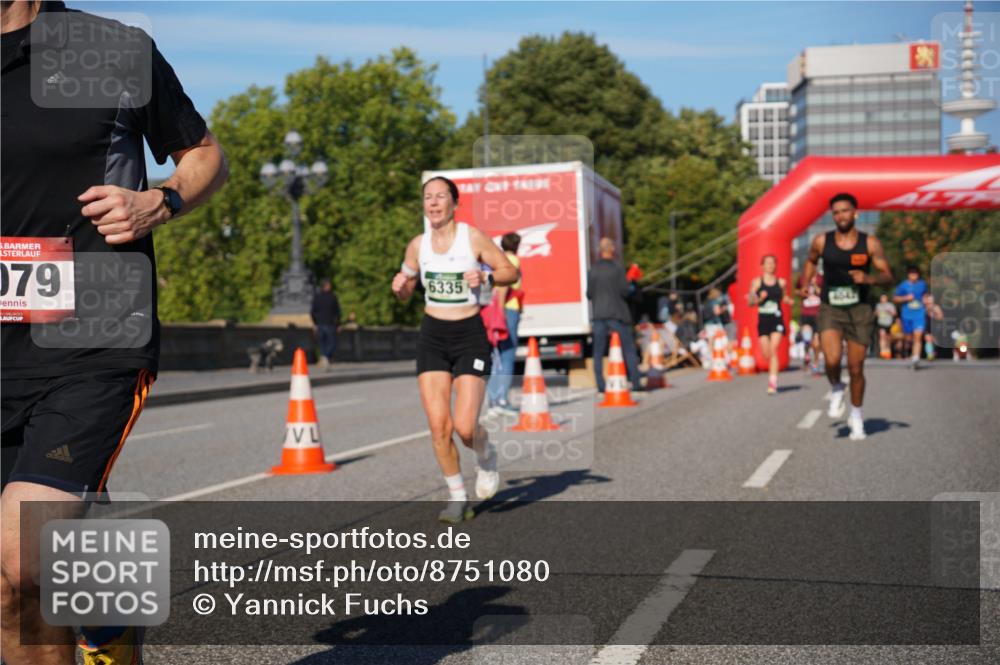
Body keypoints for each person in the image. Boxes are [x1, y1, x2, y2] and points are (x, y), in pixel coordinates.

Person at [0, 2, 228, 664]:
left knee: (21, 560)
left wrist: (161, 200)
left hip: (90, 341)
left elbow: (205, 154)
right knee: (15, 585)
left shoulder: (109, 49)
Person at [391, 177, 518, 523]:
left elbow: (510, 270)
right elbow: (406, 288)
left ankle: (486, 454)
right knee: (438, 428)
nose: (432, 203)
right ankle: (458, 498)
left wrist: (487, 277)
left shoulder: (471, 237)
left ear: (454, 202)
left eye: (440, 197)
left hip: (468, 334)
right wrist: (400, 287)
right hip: (432, 334)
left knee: (464, 427)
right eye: (427, 197)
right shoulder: (417, 246)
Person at [800, 193, 893, 441]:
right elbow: (810, 262)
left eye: (845, 211)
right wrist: (805, 282)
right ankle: (836, 387)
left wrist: (869, 278)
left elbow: (887, 275)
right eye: (836, 212)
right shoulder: (822, 241)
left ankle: (857, 416)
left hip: (860, 310)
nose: (841, 215)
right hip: (831, 308)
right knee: (831, 360)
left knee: (855, 367)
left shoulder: (870, 243)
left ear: (855, 213)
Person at [587, 237, 642, 395]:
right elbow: (624, 291)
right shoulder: (617, 268)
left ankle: (600, 385)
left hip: (599, 315)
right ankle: (636, 382)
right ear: (611, 249)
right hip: (617, 314)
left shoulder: (594, 269)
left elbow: (589, 293)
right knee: (628, 349)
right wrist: (632, 285)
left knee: (598, 351)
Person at [486, 232, 523, 415]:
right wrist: (499, 315)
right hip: (508, 311)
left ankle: (493, 400)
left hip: (501, 310)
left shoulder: (498, 261)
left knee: (496, 358)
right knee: (507, 356)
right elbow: (502, 289)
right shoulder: (513, 262)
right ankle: (501, 400)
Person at [748, 255, 794, 394]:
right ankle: (772, 372)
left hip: (777, 318)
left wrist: (788, 300)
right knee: (766, 352)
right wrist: (758, 298)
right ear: (762, 266)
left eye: (773, 263)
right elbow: (750, 302)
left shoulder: (781, 282)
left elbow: (784, 296)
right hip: (763, 320)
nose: (770, 265)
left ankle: (772, 383)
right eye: (768, 263)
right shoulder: (756, 282)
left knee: (774, 350)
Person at [893, 266, 928, 369]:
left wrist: (926, 300)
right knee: (909, 338)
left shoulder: (922, 284)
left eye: (916, 274)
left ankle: (916, 357)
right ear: (908, 275)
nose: (914, 276)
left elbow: (925, 295)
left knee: (918, 336)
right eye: (912, 274)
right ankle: (909, 351)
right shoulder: (903, 286)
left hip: (919, 314)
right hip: (907, 315)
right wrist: (906, 298)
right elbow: (895, 299)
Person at [311, 278, 341, 370]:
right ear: (326, 286)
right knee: (331, 343)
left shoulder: (317, 297)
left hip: (321, 323)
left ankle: (324, 358)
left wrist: (315, 323)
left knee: (323, 343)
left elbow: (312, 312)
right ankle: (325, 358)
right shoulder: (332, 297)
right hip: (329, 324)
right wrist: (338, 324)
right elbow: (337, 312)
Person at [798, 274, 823, 374]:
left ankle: (816, 363)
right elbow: (797, 291)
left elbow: (822, 293)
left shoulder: (820, 278)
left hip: (818, 314)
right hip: (806, 314)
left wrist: (815, 285)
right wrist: (802, 293)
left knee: (817, 343)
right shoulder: (802, 278)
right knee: (807, 338)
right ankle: (807, 354)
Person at [874, 294, 897, 360]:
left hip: (889, 323)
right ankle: (882, 352)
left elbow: (895, 313)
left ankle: (888, 351)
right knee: (882, 336)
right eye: (882, 298)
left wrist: (889, 311)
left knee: (888, 338)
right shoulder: (878, 305)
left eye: (884, 298)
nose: (883, 299)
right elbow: (875, 314)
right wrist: (876, 313)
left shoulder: (890, 305)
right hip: (881, 323)